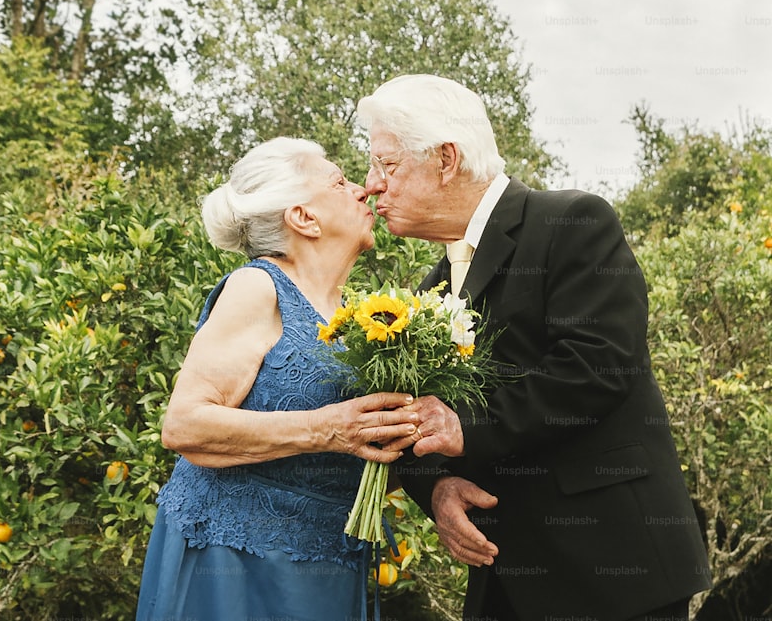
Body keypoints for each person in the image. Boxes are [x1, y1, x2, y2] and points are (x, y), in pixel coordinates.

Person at [356, 75, 712, 621]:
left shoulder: (572, 221)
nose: (371, 184)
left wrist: (464, 427)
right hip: (504, 579)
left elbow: (596, 366)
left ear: (446, 159)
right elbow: (413, 426)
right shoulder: (424, 295)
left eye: (387, 164)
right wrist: (438, 489)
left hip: (613, 570)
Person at [135, 136, 421, 621]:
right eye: (339, 181)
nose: (362, 190)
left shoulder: (356, 318)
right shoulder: (257, 287)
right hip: (233, 562)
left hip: (329, 566)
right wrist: (327, 429)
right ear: (303, 217)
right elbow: (184, 426)